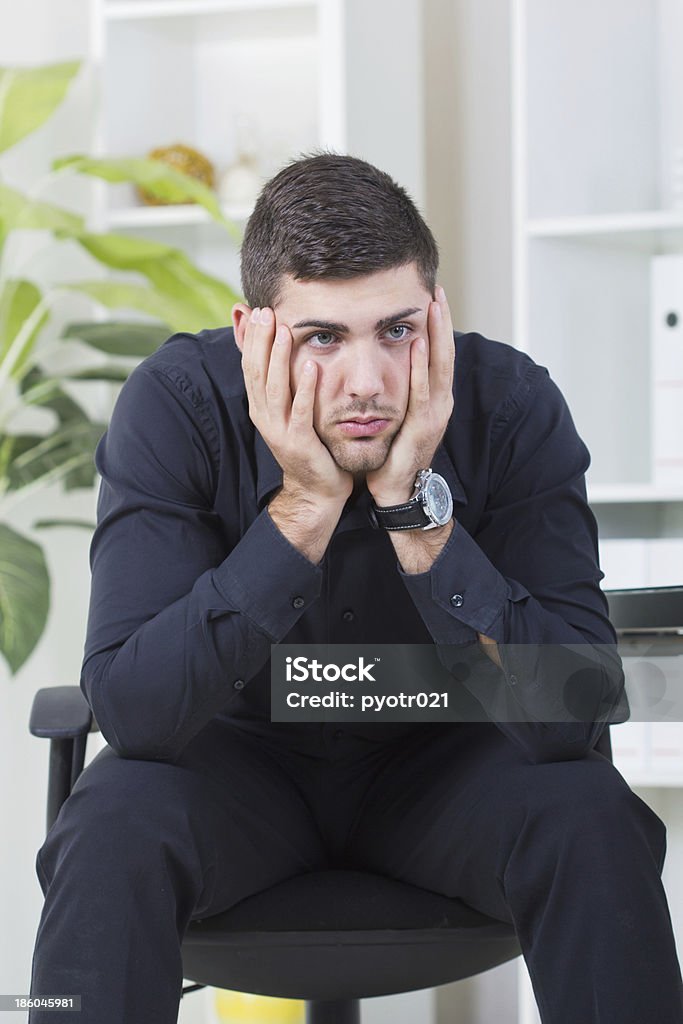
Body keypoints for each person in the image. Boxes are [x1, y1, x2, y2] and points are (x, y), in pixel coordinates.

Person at [29, 153, 683, 1023]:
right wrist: (302, 507)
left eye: (397, 330)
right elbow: (137, 711)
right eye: (323, 338)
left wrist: (419, 514)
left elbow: (576, 707)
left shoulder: (511, 404)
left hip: (450, 767)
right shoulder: (178, 405)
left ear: (436, 315)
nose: (368, 382)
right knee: (113, 817)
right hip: (233, 769)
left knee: (589, 811)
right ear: (254, 330)